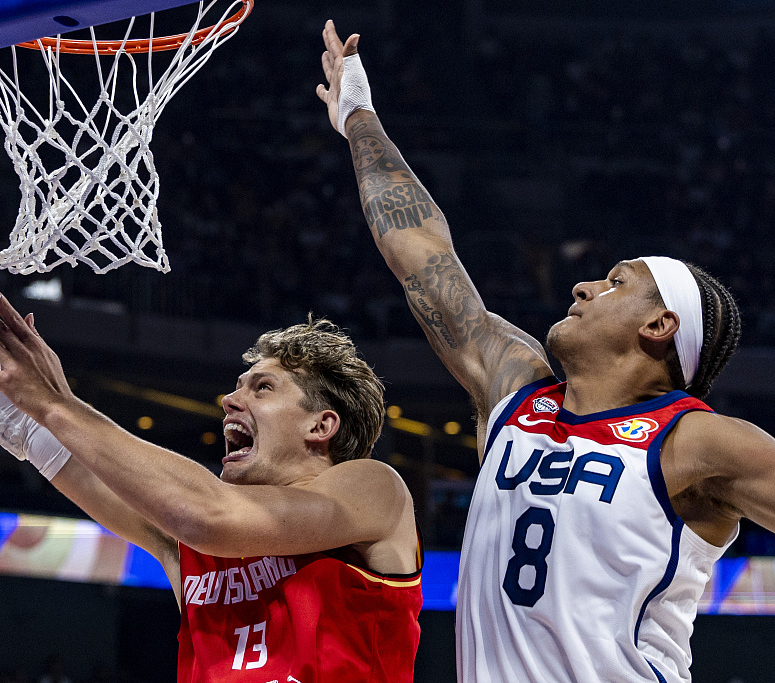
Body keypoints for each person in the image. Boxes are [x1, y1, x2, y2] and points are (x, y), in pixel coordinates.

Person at [318, 20, 775, 683]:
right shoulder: (516, 390)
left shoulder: (697, 441)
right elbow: (421, 254)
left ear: (660, 325)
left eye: (617, 282)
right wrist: (359, 115)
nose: (584, 286)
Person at [0, 166, 423, 682]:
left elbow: (208, 514)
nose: (229, 399)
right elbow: (30, 428)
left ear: (322, 426)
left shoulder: (373, 492)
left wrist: (62, 405)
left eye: (261, 387)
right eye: (239, 385)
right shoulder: (188, 544)